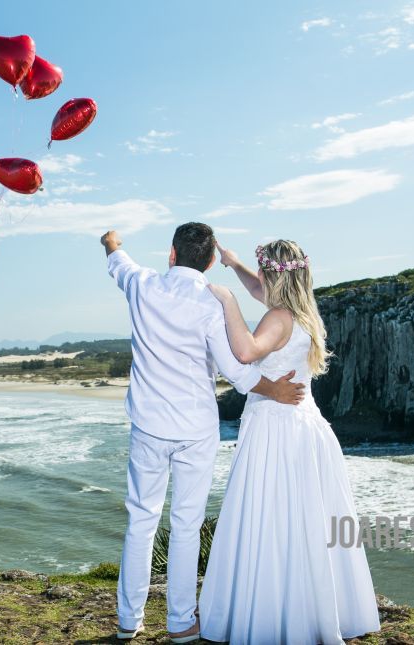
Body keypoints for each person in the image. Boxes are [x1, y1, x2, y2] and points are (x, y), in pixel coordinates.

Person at [102, 224, 306, 643]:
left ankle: (128, 619)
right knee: (186, 524)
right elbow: (237, 371)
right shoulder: (212, 303)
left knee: (141, 520)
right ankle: (180, 622)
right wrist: (275, 390)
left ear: (171, 254)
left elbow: (117, 263)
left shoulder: (141, 285)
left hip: (148, 425)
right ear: (211, 261)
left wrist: (111, 243)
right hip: (195, 429)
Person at [198, 239, 381, 644]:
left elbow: (245, 352)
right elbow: (259, 289)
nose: (256, 280)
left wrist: (226, 299)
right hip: (306, 427)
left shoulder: (277, 318)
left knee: (272, 518)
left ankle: (271, 613)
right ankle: (314, 609)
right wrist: (233, 264)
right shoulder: (304, 311)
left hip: (276, 431)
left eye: (260, 271)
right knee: (305, 521)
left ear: (272, 276)